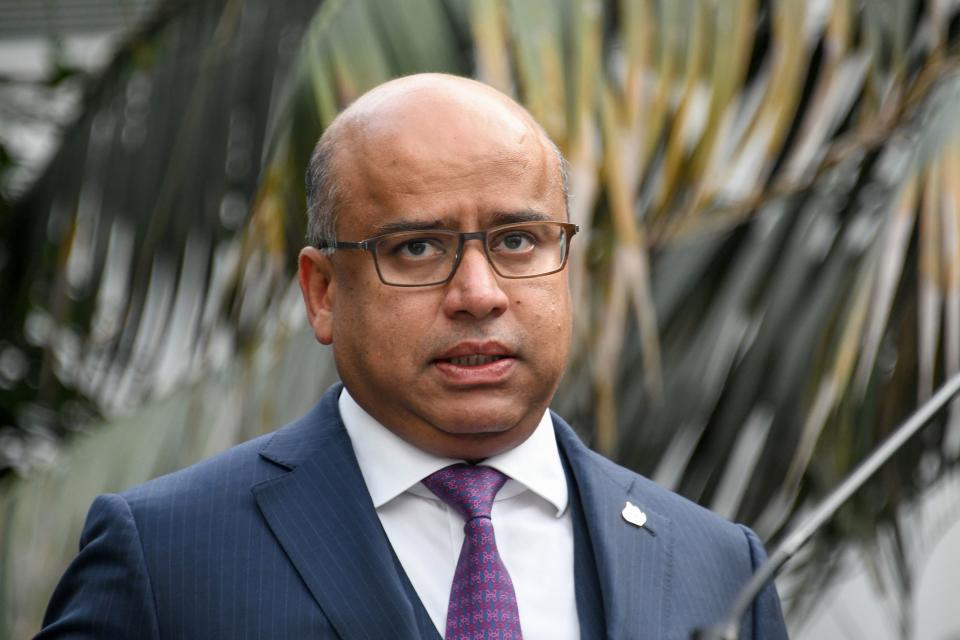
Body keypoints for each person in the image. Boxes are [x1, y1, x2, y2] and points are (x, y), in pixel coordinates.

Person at [37, 74, 787, 639]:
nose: (478, 293)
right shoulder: (167, 560)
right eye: (419, 247)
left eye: (518, 241)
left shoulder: (717, 568)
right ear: (323, 291)